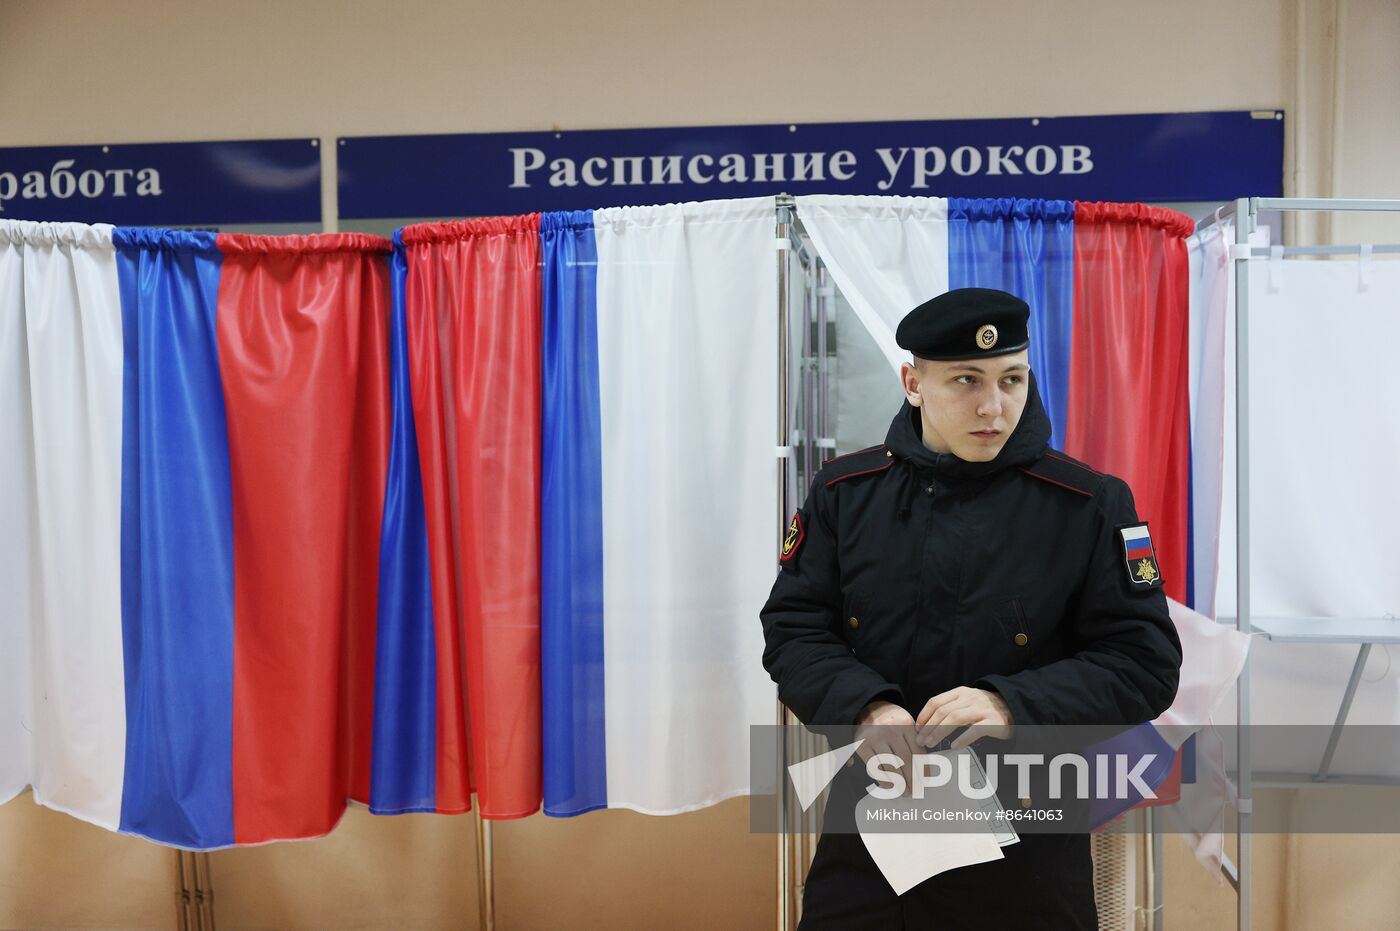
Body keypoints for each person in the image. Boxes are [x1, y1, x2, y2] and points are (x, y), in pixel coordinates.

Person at [760, 287, 1183, 929]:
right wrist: (864, 707)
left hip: (1026, 843)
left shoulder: (1087, 505)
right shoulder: (846, 495)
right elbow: (793, 629)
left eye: (1012, 379)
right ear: (913, 382)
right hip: (875, 834)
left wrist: (1011, 704)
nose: (994, 406)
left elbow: (1144, 664)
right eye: (966, 380)